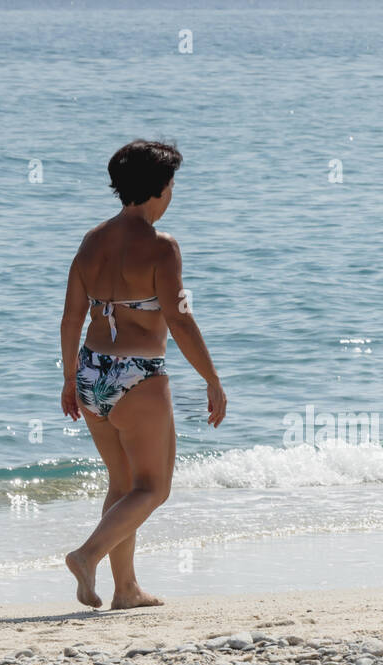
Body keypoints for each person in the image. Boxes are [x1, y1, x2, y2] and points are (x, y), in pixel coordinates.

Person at [59, 140, 226, 609]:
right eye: (171, 185)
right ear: (158, 189)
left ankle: (126, 589)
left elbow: (71, 318)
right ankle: (87, 555)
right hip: (138, 376)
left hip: (91, 371)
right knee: (154, 488)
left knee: (122, 485)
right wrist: (212, 379)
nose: (172, 194)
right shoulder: (161, 247)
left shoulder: (92, 241)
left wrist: (70, 378)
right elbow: (180, 320)